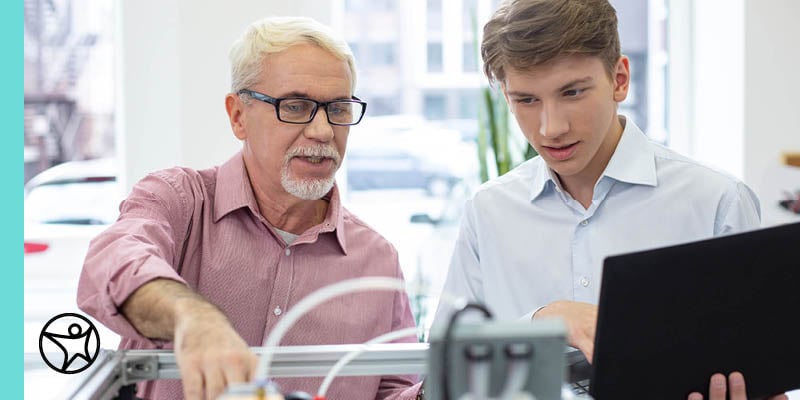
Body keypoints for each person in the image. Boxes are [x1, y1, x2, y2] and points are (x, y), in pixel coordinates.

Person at [436, 0, 784, 398]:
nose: (551, 128)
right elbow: (442, 372)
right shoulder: (488, 211)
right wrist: (541, 321)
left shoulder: (717, 202)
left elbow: (764, 378)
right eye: (526, 100)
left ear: (619, 79)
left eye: (572, 92)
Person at [78, 16, 420, 400]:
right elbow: (114, 262)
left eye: (338, 109)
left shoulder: (377, 260)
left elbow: (394, 389)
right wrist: (193, 318)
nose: (323, 131)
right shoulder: (180, 201)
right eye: (295, 105)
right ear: (238, 115)